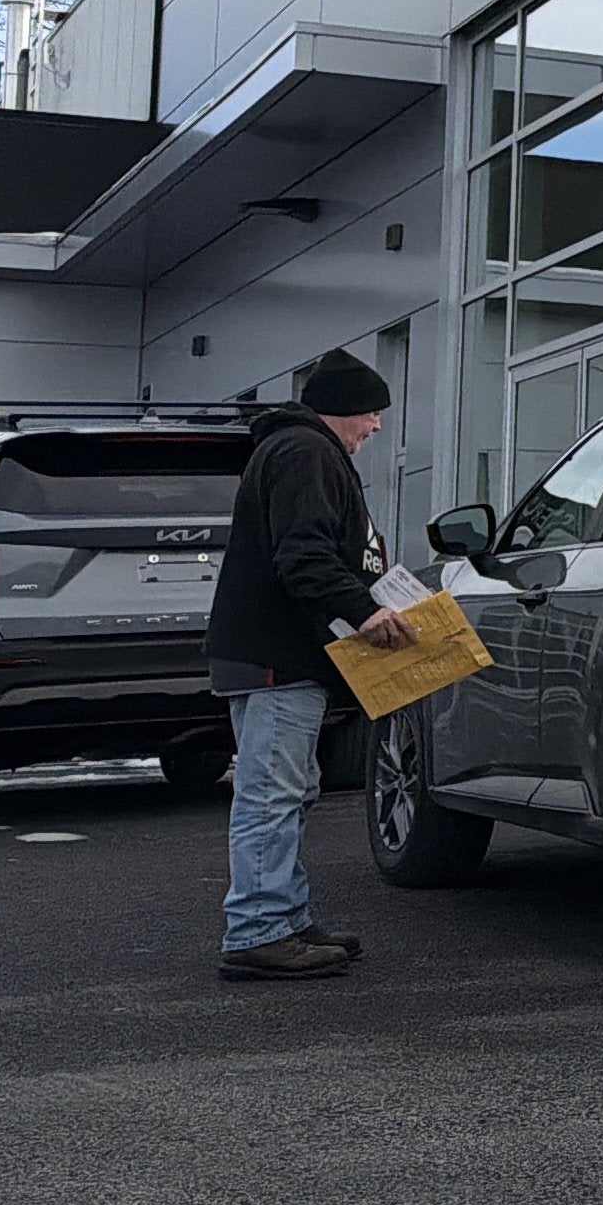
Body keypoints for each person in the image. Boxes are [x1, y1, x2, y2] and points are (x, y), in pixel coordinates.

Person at [205, 350, 416, 982]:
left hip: (274, 655)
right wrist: (365, 609)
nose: (376, 426)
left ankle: (285, 919)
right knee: (273, 793)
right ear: (343, 409)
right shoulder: (307, 452)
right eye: (371, 413)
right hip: (280, 657)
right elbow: (303, 555)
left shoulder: (296, 449)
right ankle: (260, 930)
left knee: (289, 791)